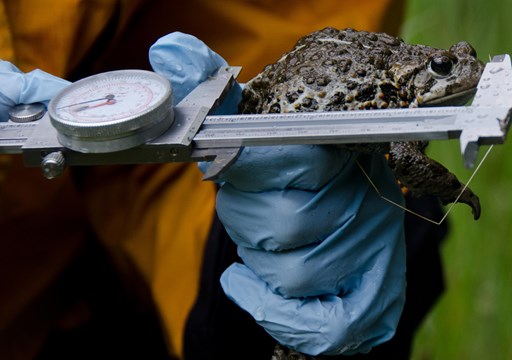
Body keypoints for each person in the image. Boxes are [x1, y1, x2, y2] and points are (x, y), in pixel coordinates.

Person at [0, 1, 448, 359]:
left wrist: (244, 215)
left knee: (361, 232)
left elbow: (300, 56)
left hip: (134, 258)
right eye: (446, 67)